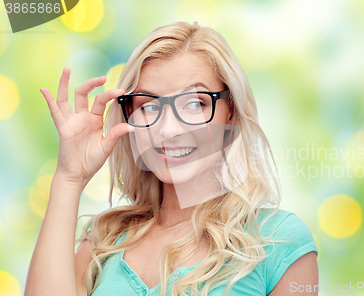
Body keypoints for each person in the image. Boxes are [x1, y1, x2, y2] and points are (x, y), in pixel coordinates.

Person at [25, 21, 319, 296]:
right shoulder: (104, 241)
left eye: (195, 103)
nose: (167, 129)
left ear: (231, 111)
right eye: (149, 106)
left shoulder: (278, 242)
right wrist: (69, 178)